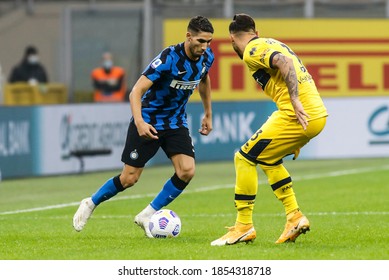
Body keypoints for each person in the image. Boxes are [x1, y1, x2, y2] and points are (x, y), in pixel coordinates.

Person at [73, 15, 215, 237]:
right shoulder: (168, 58)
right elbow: (136, 92)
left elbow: (204, 79)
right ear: (188, 37)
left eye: (208, 42)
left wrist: (208, 113)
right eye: (200, 41)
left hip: (176, 122)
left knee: (187, 171)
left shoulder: (207, 57)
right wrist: (139, 122)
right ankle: (91, 202)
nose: (204, 47)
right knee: (129, 178)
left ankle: (147, 214)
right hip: (149, 120)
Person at [211, 14, 328, 246]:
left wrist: (294, 100)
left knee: (243, 158)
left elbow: (283, 63)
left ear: (232, 39)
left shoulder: (252, 49)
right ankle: (294, 217)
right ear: (255, 30)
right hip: (314, 115)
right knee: (268, 160)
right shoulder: (272, 42)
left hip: (295, 114)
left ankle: (243, 226)